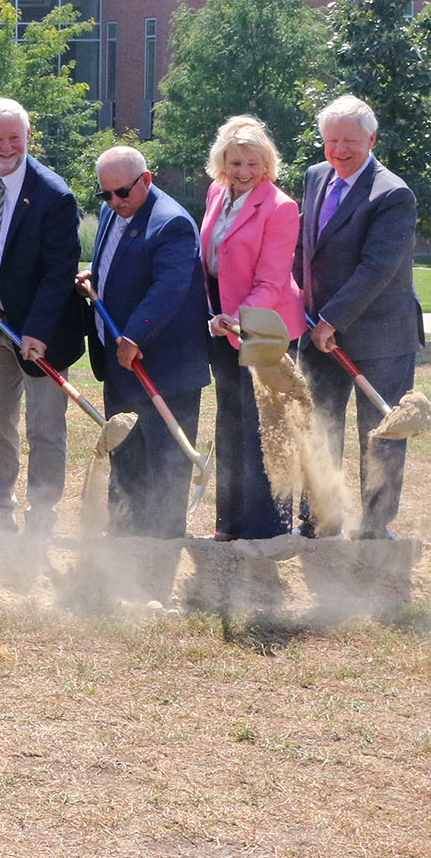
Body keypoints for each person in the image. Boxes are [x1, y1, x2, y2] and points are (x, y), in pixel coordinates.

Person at [0, 98, 84, 538]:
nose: (5, 146)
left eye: (14, 137)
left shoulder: (54, 194)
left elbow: (58, 272)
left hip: (42, 333)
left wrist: (38, 331)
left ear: (28, 137)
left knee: (45, 427)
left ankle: (42, 518)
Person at [296, 94, 422, 540]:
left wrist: (333, 317)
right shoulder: (315, 177)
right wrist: (298, 299)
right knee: (318, 425)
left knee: (380, 434)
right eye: (331, 141)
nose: (339, 150)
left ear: (371, 138)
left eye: (350, 140)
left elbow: (377, 268)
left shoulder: (393, 194)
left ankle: (375, 527)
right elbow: (305, 248)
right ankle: (321, 519)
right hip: (317, 333)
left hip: (381, 335)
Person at [78, 145, 209, 538]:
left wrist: (134, 334)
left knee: (165, 456)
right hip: (120, 361)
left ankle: (163, 540)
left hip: (164, 364)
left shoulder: (172, 224)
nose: (114, 201)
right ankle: (123, 532)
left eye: (122, 192)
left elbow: (168, 287)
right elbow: (119, 264)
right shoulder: (111, 212)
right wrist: (93, 276)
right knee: (126, 450)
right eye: (106, 194)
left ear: (146, 180)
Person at [200, 116, 305, 541]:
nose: (243, 172)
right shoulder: (215, 192)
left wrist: (238, 320)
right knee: (231, 421)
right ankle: (229, 523)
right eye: (235, 162)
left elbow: (271, 281)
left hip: (265, 328)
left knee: (266, 430)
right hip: (222, 326)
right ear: (221, 162)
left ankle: (267, 528)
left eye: (253, 163)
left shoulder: (280, 207)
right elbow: (211, 261)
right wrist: (217, 317)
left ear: (267, 163)